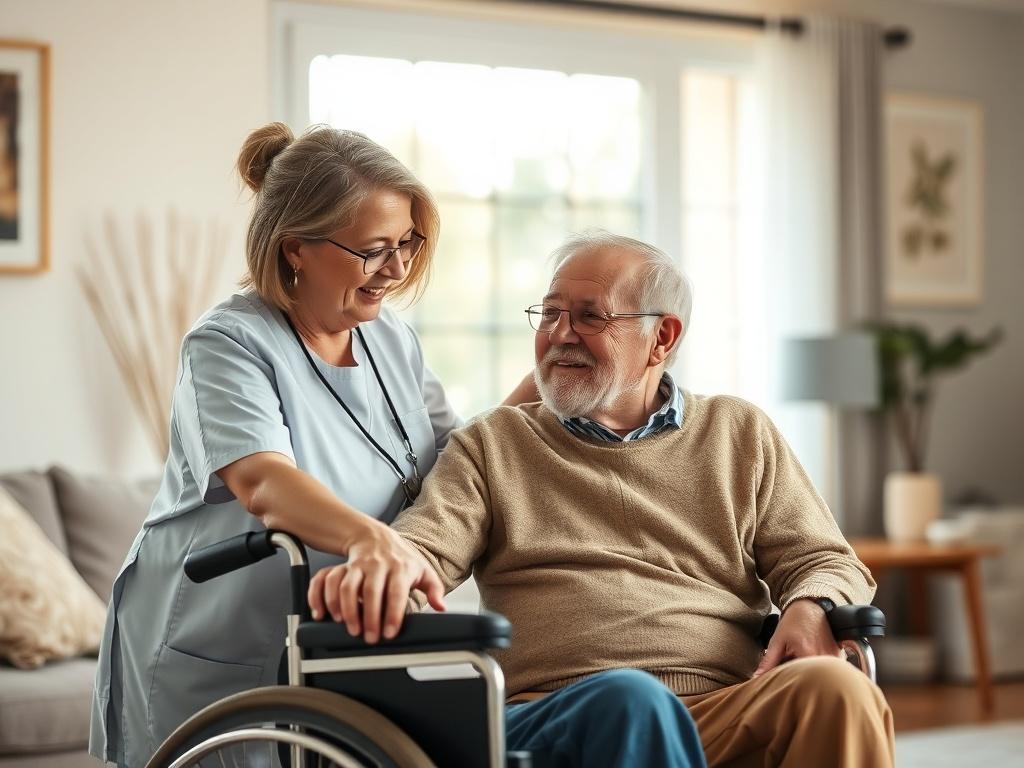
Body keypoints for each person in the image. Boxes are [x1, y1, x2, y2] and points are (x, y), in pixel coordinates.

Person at [310, 230, 895, 767]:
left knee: (839, 688)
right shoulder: (496, 444)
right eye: (551, 313)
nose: (560, 334)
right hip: (561, 711)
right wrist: (379, 571)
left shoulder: (737, 433)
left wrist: (811, 605)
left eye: (590, 316)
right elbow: (422, 549)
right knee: (632, 699)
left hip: (723, 704)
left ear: (660, 338)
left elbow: (826, 557)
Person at [88, 122, 524, 766]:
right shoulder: (228, 344)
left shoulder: (390, 340)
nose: (398, 270)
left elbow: (459, 458)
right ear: (296, 248)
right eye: (374, 249)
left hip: (330, 641)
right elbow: (262, 480)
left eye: (407, 243)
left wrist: (540, 387)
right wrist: (372, 538)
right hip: (221, 640)